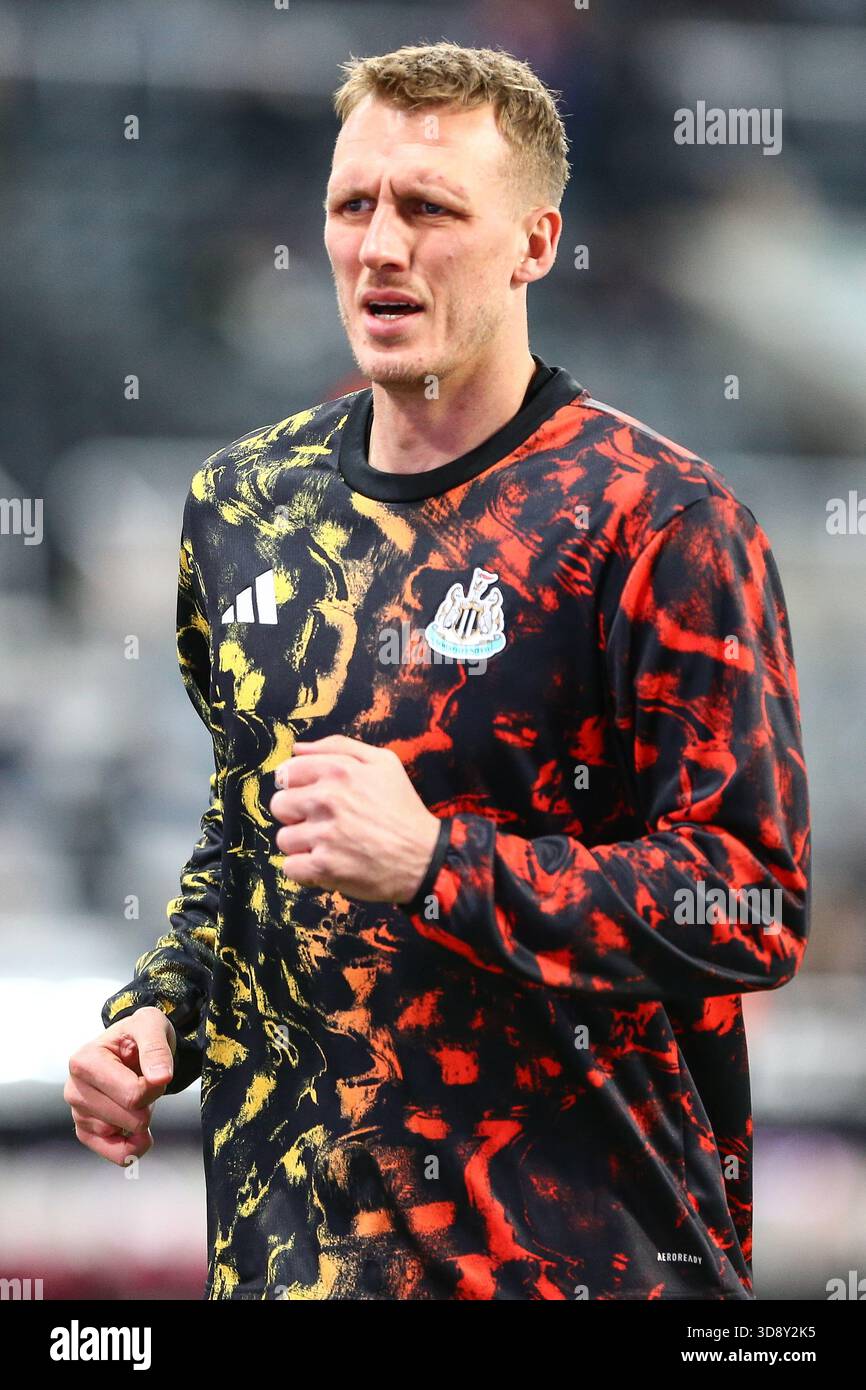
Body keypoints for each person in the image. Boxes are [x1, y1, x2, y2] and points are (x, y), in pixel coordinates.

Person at [66, 41, 810, 1301]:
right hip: (287, 1264)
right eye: (353, 205)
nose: (380, 246)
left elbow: (748, 903)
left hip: (577, 1269)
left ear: (532, 242)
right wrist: (166, 1010)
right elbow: (247, 828)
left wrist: (434, 864)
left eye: (429, 209)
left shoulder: (659, 522)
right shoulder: (243, 503)